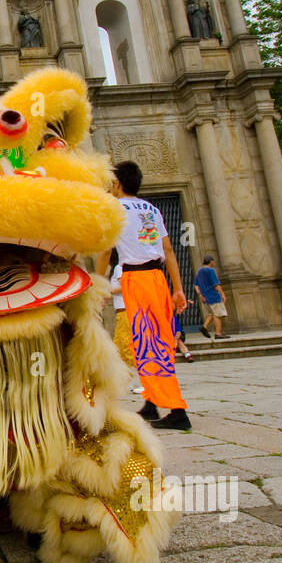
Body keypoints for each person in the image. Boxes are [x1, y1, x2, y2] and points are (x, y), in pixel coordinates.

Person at [96, 161, 191, 431]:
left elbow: (105, 251)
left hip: (137, 279)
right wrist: (178, 289)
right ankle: (151, 402)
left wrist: (99, 283)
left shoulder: (113, 209)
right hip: (158, 279)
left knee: (150, 343)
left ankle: (177, 410)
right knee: (148, 340)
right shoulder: (151, 208)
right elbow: (169, 250)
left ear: (116, 184)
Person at [195, 255, 227, 339]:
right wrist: (222, 294)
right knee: (218, 314)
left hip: (205, 296)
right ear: (211, 261)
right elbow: (215, 284)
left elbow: (196, 285)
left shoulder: (199, 271)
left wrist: (200, 294)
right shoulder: (211, 270)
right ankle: (218, 333)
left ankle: (204, 327)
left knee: (212, 313)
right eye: (213, 261)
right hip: (213, 295)